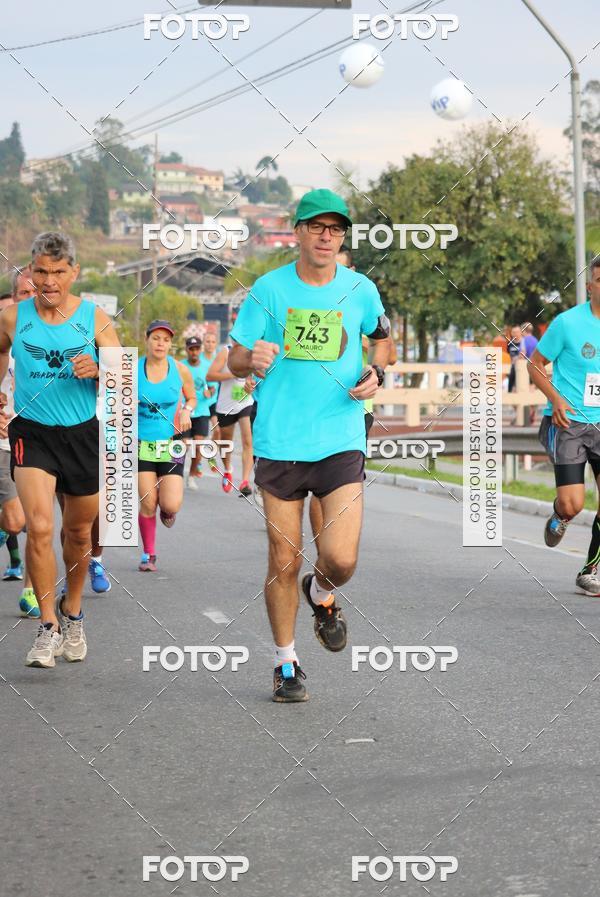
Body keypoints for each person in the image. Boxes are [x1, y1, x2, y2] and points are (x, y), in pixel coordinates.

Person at [228, 188, 390, 702]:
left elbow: (383, 339)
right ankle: (286, 662)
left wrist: (378, 371)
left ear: (343, 238)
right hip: (280, 441)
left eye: (335, 229)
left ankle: (321, 592)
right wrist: (250, 359)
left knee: (341, 559)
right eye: (316, 227)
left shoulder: (360, 289)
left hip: (341, 436)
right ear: (297, 232)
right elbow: (233, 358)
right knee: (284, 557)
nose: (326, 236)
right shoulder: (269, 290)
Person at [0, 232, 121, 667]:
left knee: (78, 534)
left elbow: (124, 375)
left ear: (74, 273)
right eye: (41, 272)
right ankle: (47, 625)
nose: (48, 281)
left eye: (57, 272)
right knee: (39, 527)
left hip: (81, 434)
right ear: (31, 271)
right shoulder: (12, 317)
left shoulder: (95, 317)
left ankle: (73, 612)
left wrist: (100, 369)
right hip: (31, 432)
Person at [530, 257, 600, 597]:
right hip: (569, 422)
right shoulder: (568, 323)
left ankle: (589, 571)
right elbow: (535, 364)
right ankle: (561, 515)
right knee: (574, 503)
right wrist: (556, 399)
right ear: (589, 286)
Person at [137, 320, 196, 572]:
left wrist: (187, 409)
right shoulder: (132, 369)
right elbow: (114, 398)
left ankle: (167, 509)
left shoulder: (180, 370)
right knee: (148, 502)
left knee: (170, 505)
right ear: (147, 340)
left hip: (172, 444)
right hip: (140, 443)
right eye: (156, 338)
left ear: (170, 344)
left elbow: (192, 397)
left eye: (166, 340)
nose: (160, 344)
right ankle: (149, 554)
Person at [207, 347, 255, 496]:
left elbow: (253, 377)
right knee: (226, 443)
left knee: (247, 440)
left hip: (245, 402)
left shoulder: (252, 352)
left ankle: (245, 482)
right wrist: (233, 373)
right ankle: (228, 469)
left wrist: (250, 385)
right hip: (226, 406)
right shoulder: (226, 352)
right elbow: (210, 375)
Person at [181, 335, 214, 490]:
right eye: (191, 349)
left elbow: (213, 387)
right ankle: (176, 474)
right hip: (184, 412)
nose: (194, 352)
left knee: (198, 447)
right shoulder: (180, 366)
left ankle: (192, 476)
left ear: (200, 350)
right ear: (187, 350)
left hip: (201, 411)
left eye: (197, 349)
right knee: (183, 446)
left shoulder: (207, 367)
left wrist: (210, 392)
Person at [506, 324, 522, 393]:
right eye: (513, 332)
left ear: (520, 332)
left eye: (517, 332)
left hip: (522, 367)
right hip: (512, 367)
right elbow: (508, 354)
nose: (515, 334)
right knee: (510, 384)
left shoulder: (524, 342)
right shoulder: (510, 343)